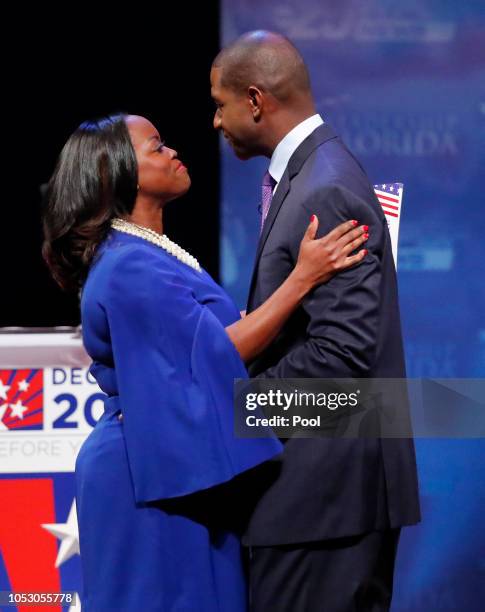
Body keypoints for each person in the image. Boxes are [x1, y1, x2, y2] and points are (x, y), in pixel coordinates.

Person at [41, 112, 369, 611]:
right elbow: (215, 354)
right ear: (116, 175)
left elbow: (204, 339)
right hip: (149, 475)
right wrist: (303, 278)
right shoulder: (128, 264)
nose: (172, 151)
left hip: (175, 461)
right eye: (156, 147)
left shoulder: (147, 252)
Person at [211, 31, 421, 612]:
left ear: (255, 101)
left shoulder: (325, 187)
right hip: (321, 497)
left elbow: (342, 356)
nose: (216, 122)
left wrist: (240, 404)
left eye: (219, 105)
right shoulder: (311, 175)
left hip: (328, 500)